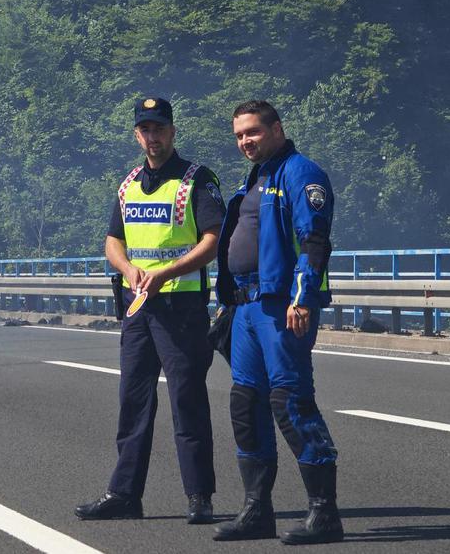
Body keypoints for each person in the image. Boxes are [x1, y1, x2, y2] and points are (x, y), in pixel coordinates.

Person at [75, 97, 226, 525]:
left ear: (173, 131)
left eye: (159, 128)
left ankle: (199, 496)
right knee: (133, 400)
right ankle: (124, 494)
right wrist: (126, 268)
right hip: (137, 306)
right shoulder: (126, 185)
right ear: (136, 134)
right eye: (145, 129)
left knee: (187, 399)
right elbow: (112, 240)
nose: (152, 136)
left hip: (180, 305)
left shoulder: (196, 180)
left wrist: (166, 272)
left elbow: (213, 240)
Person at [212, 100, 342, 544]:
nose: (245, 141)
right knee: (247, 405)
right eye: (239, 135)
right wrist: (228, 302)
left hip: (281, 307)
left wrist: (303, 297)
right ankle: (256, 512)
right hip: (247, 307)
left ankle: (324, 514)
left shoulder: (300, 172)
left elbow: (315, 241)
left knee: (291, 402)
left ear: (276, 128)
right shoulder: (257, 177)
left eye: (252, 132)